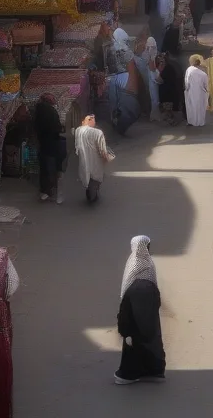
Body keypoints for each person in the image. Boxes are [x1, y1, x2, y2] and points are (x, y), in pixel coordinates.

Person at [116, 236, 166, 385]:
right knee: (150, 336)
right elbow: (153, 286)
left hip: (134, 302)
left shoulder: (132, 262)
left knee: (134, 337)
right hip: (146, 303)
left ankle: (130, 374)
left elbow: (126, 288)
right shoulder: (149, 263)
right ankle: (152, 370)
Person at [75, 115, 115, 203]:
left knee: (87, 176)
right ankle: (93, 196)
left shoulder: (78, 130)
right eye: (93, 120)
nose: (95, 122)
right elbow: (102, 149)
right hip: (96, 160)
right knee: (96, 177)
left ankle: (91, 194)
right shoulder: (98, 132)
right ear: (89, 120)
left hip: (84, 159)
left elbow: (77, 147)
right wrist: (106, 157)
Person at [34, 93, 65, 204]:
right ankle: (50, 191)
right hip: (52, 143)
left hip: (42, 143)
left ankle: (44, 191)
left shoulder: (37, 111)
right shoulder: (51, 112)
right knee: (52, 167)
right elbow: (57, 128)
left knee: (44, 168)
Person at [156, 52, 184, 125]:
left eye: (162, 61)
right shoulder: (170, 67)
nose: (161, 63)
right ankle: (173, 120)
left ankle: (173, 122)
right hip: (170, 92)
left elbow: (160, 80)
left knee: (167, 110)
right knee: (168, 110)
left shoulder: (167, 69)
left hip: (167, 93)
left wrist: (157, 74)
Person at [184, 54, 210, 127]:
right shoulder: (203, 74)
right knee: (201, 108)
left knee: (191, 107)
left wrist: (187, 89)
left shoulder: (189, 70)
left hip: (191, 92)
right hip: (201, 93)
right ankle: (200, 122)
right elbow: (206, 86)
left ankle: (192, 122)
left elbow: (187, 82)